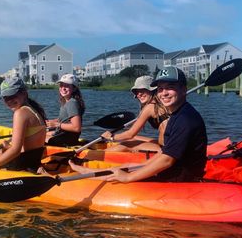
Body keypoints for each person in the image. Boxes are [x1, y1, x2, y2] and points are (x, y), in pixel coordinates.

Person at [70, 66, 207, 183]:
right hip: (176, 170)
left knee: (123, 166)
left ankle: (84, 171)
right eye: (160, 88)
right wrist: (140, 166)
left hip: (179, 178)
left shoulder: (185, 119)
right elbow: (165, 153)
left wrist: (129, 177)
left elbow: (167, 160)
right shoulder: (177, 114)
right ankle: (84, 170)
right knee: (128, 165)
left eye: (170, 88)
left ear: (184, 89)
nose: (164, 93)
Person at [102, 75, 168, 152]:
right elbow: (132, 135)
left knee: (126, 144)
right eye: (137, 91)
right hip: (166, 143)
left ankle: (99, 154)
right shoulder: (163, 103)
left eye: (143, 90)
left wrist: (111, 137)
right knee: (134, 138)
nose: (139, 94)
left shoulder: (150, 107)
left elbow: (130, 134)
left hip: (167, 148)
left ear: (152, 90)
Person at [46, 73, 85, 146]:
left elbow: (76, 127)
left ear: (74, 88)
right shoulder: (68, 102)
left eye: (67, 86)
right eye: (61, 85)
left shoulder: (72, 103)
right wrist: (50, 122)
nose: (63, 88)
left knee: (37, 137)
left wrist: (56, 124)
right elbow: (66, 119)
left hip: (66, 140)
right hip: (63, 135)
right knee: (43, 133)